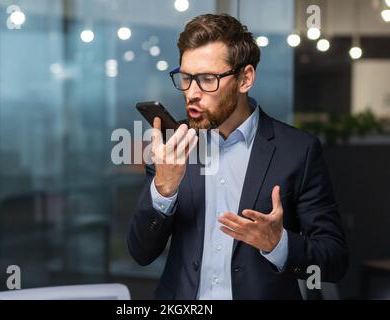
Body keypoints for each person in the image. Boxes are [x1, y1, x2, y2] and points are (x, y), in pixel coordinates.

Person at [128, 13, 349, 299]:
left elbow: (334, 261)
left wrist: (278, 243)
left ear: (245, 79)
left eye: (207, 79)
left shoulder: (299, 151)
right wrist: (163, 190)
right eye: (185, 78)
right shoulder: (171, 148)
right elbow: (140, 253)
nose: (192, 93)